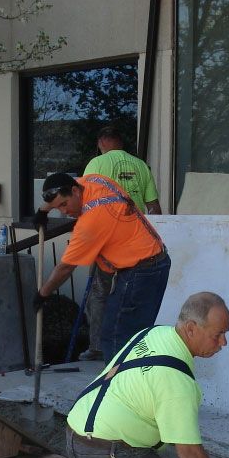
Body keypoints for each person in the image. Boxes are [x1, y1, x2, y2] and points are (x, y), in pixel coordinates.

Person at [49, 292, 229, 458]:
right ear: (192, 328)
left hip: (74, 438)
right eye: (218, 335)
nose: (223, 342)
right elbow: (190, 454)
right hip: (106, 454)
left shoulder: (153, 333)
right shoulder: (177, 383)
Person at [32, 171, 170, 361]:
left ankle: (119, 385)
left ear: (75, 191)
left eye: (64, 205)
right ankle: (129, 380)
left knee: (117, 337)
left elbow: (65, 267)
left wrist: (43, 294)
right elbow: (60, 189)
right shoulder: (93, 181)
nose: (64, 211)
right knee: (127, 334)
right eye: (57, 208)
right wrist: (43, 211)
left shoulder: (91, 221)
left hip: (142, 273)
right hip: (151, 263)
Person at [78, 125, 163, 362]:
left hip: (106, 242)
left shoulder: (96, 164)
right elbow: (155, 208)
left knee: (99, 292)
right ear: (121, 143)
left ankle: (97, 347)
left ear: (100, 144)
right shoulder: (140, 166)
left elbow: (84, 201)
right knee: (129, 296)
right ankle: (129, 348)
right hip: (136, 244)